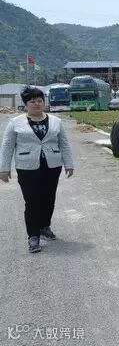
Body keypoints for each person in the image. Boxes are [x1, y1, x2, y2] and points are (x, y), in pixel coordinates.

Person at [0, 87, 74, 253]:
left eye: (39, 100)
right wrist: (4, 169)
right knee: (32, 201)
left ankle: (44, 226)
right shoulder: (15, 123)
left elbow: (64, 143)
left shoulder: (56, 121)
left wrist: (69, 163)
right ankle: (33, 235)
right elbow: (7, 146)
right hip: (27, 168)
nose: (37, 104)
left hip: (52, 166)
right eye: (32, 101)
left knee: (49, 198)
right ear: (26, 104)